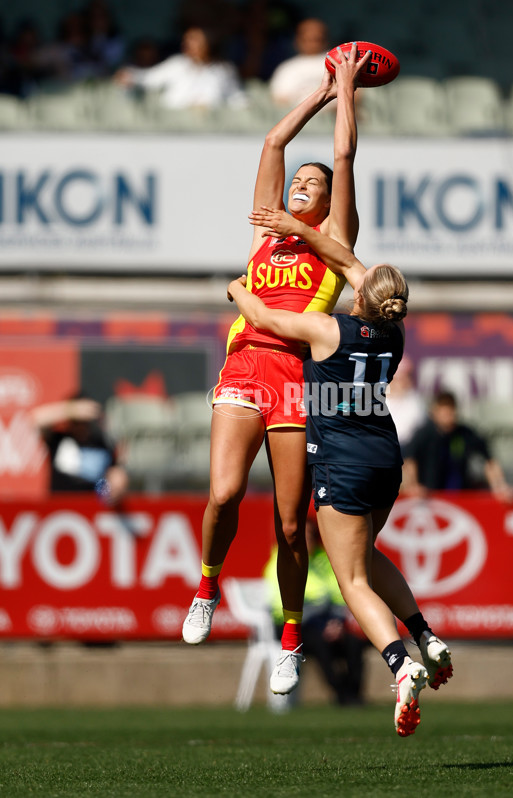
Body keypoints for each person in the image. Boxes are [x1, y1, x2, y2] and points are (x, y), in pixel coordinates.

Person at [181, 44, 370, 699]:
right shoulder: (268, 229)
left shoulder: (332, 242)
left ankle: (291, 637)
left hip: (295, 376)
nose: (302, 184)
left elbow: (344, 157)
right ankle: (207, 583)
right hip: (246, 364)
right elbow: (272, 139)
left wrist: (348, 92)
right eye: (299, 180)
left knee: (293, 524)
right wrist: (318, 92)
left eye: (312, 185)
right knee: (225, 494)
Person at [228, 208, 453, 736]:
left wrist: (236, 288)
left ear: (359, 296)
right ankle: (424, 633)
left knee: (350, 579)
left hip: (342, 461)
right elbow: (353, 266)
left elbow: (263, 318)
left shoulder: (328, 329)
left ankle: (401, 665)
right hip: (384, 457)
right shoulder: (395, 335)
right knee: (366, 558)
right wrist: (309, 233)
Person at [264, 517, 366, 706]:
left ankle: (355, 694)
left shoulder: (323, 559)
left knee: (354, 643)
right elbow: (281, 606)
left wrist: (335, 622)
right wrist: (321, 623)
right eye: (303, 534)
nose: (307, 539)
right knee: (321, 644)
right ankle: (341, 694)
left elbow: (338, 594)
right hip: (292, 626)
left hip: (326, 622)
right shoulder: (281, 559)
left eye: (311, 535)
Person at [403, 389, 513, 501]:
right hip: (430, 498)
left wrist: (499, 487)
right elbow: (409, 460)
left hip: (460, 497)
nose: (448, 416)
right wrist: (413, 485)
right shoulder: (424, 434)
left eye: (450, 411)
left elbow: (489, 461)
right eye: (444, 412)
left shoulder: (465, 434)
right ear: (434, 412)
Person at [114, 26, 247, 110]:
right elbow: (149, 78)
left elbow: (236, 98)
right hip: (176, 129)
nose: (189, 45)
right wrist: (129, 74)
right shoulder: (177, 64)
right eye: (187, 41)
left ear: (208, 44)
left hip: (211, 131)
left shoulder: (224, 70)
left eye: (195, 41)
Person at [30, 392, 128, 505]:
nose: (81, 425)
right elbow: (35, 419)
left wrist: (115, 483)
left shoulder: (102, 444)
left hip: (93, 507)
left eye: (84, 421)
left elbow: (111, 478)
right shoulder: (59, 439)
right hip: (59, 505)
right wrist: (72, 410)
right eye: (77, 421)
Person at [269, 18, 330, 107]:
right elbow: (279, 101)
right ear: (297, 40)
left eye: (316, 39)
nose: (312, 43)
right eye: (307, 39)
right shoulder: (286, 68)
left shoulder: (339, 62)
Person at [385, 357, 427, 450]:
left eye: (404, 378)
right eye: (396, 378)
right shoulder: (376, 399)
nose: (398, 383)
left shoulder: (415, 403)